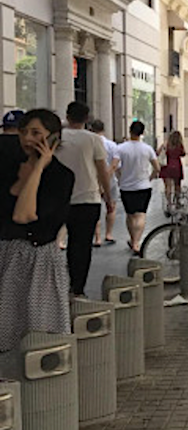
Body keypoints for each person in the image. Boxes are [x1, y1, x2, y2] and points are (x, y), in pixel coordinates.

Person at [0, 109, 75, 354]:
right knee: (6, 334)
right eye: (24, 132)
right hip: (6, 255)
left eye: (36, 133)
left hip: (38, 261)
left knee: (39, 334)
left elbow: (24, 215)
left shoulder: (61, 177)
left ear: (53, 138)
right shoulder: (9, 166)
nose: (27, 139)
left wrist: (39, 167)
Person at [55, 102, 110, 298]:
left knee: (53, 242)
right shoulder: (94, 139)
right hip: (87, 198)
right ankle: (77, 288)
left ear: (67, 116)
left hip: (58, 199)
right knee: (82, 245)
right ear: (87, 119)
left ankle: (56, 286)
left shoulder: (57, 137)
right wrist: (109, 198)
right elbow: (103, 171)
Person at [116, 121, 159, 255]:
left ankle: (132, 239)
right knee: (141, 214)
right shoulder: (147, 148)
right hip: (143, 186)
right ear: (142, 133)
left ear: (130, 131)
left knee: (130, 215)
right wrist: (150, 178)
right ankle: (136, 242)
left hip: (126, 187)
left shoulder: (121, 148)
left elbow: (116, 166)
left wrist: (120, 177)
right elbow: (157, 167)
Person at [88, 120, 119, 246]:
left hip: (93, 179)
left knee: (96, 208)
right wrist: (108, 174)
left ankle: (97, 238)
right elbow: (115, 163)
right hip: (110, 180)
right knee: (111, 206)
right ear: (103, 129)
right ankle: (109, 234)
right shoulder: (112, 145)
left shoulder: (89, 144)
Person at [156, 130, 186, 212]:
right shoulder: (180, 145)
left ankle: (169, 204)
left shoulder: (166, 144)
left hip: (167, 166)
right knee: (177, 185)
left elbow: (157, 153)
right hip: (177, 166)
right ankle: (177, 202)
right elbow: (183, 154)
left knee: (168, 186)